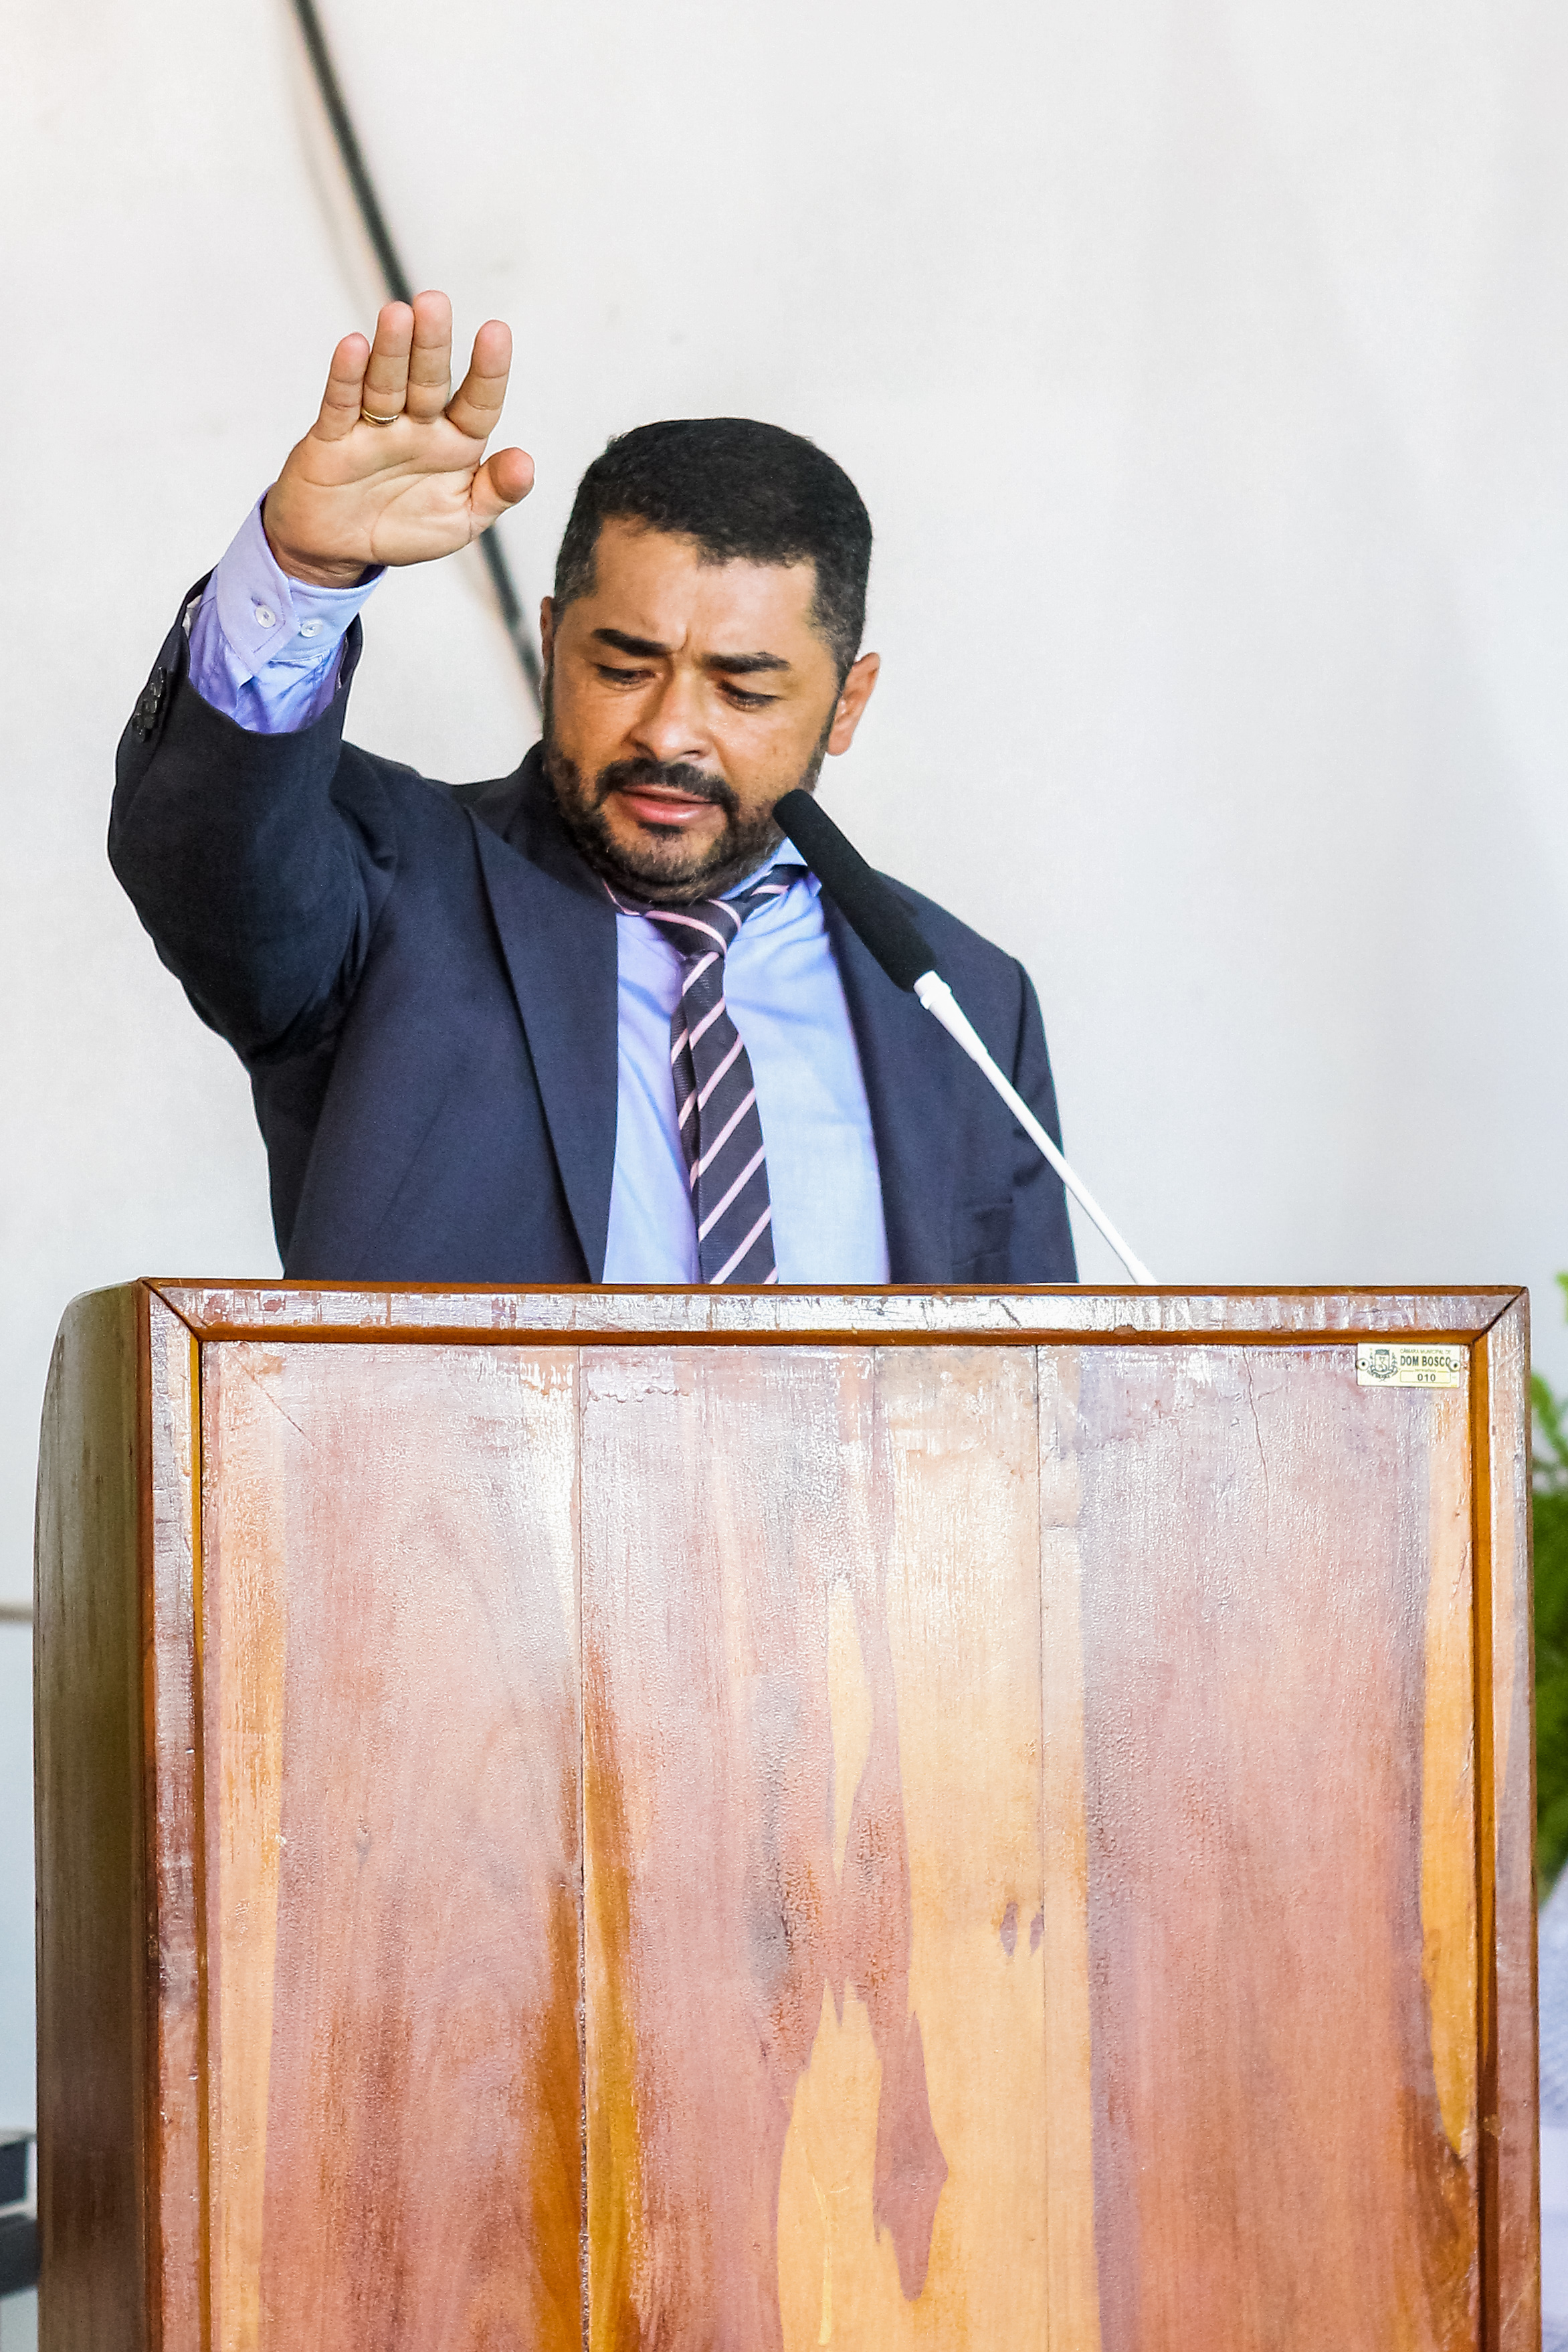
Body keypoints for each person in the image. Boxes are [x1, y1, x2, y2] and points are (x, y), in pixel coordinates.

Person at [110, 293, 1076, 1287]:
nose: (668, 732)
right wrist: (304, 572)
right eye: (621, 669)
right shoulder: (387, 883)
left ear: (846, 703)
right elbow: (210, 855)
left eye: (743, 691)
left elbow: (1037, 1374)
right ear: (551, 642)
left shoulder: (967, 1002)